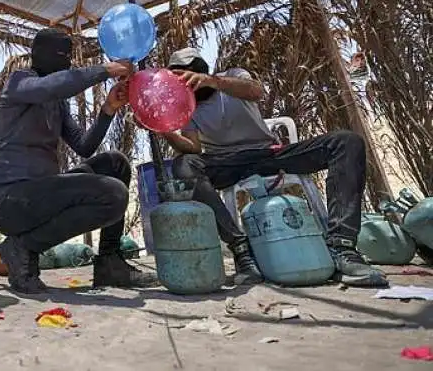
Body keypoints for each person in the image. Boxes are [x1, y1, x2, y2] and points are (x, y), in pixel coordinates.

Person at [161, 47, 387, 287]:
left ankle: (342, 247)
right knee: (183, 165)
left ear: (199, 70)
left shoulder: (232, 76)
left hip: (268, 153)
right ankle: (242, 251)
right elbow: (193, 148)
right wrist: (164, 130)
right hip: (226, 162)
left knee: (345, 142)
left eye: (186, 75)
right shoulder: (186, 107)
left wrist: (213, 82)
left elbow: (255, 91)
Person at [0, 28, 159, 294]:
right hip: (10, 201)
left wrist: (108, 109)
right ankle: (23, 247)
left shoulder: (58, 105)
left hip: (44, 194)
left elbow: (85, 146)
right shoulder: (19, 83)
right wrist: (104, 70)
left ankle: (110, 262)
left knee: (116, 164)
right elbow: (53, 84)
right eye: (62, 57)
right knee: (113, 194)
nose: (67, 63)